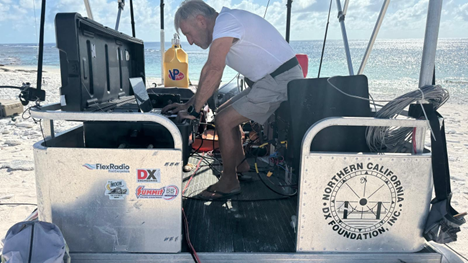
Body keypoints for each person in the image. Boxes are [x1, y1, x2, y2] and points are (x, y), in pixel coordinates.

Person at [162, 0, 304, 200]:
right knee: (222, 115)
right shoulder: (225, 27)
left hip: (281, 80)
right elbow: (209, 75)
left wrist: (194, 111)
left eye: (188, 33)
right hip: (269, 80)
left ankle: (229, 182)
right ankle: (240, 166)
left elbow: (213, 69)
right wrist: (188, 105)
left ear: (201, 21)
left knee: (224, 121)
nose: (190, 41)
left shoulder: (226, 22)